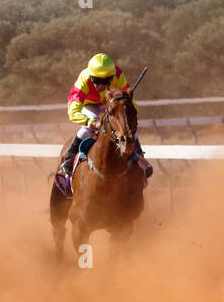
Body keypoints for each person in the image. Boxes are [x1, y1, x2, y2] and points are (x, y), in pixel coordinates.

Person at [54, 52, 152, 198]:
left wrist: (129, 113)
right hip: (90, 106)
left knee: (128, 129)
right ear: (90, 76)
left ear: (112, 77)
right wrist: (92, 123)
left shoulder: (118, 75)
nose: (101, 85)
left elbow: (129, 103)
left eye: (106, 81)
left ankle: (139, 159)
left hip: (111, 104)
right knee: (88, 127)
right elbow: (72, 111)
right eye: (96, 80)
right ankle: (68, 161)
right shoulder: (83, 80)